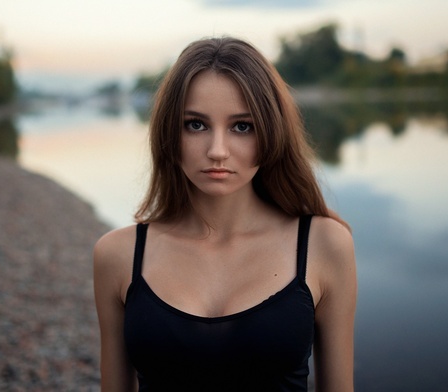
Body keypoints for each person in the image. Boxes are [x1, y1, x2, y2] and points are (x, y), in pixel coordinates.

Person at [93, 37, 356, 392]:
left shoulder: (324, 245)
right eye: (196, 125)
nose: (217, 151)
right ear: (169, 132)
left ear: (271, 131)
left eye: (242, 126)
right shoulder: (118, 255)